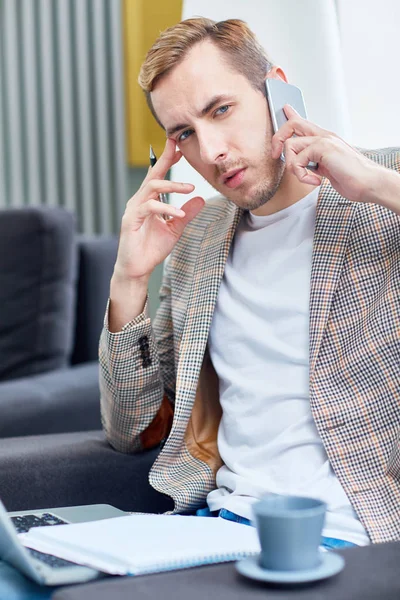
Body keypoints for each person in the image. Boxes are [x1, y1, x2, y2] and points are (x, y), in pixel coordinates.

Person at [99, 17, 400, 548]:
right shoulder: (198, 237)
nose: (212, 151)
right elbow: (131, 432)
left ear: (276, 89)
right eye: (185, 133)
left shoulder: (384, 189)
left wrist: (375, 184)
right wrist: (129, 279)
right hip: (219, 528)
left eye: (221, 110)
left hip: (353, 535)